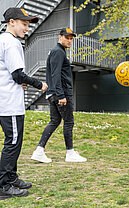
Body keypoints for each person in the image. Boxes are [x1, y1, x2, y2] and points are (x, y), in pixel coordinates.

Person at [0, 7, 48, 200]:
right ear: (11, 22)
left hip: (7, 99)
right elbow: (17, 74)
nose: (27, 28)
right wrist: (39, 84)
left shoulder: (3, 40)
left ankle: (11, 178)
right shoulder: (11, 43)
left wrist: (18, 83)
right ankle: (4, 185)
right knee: (12, 143)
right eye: (24, 24)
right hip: (9, 103)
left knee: (14, 142)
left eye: (28, 25)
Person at [31, 28, 87, 163]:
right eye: (67, 37)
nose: (69, 40)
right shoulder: (58, 52)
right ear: (60, 37)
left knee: (55, 121)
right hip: (60, 94)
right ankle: (70, 153)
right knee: (69, 121)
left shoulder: (58, 51)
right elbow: (55, 75)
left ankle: (39, 151)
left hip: (54, 93)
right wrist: (61, 95)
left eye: (71, 38)